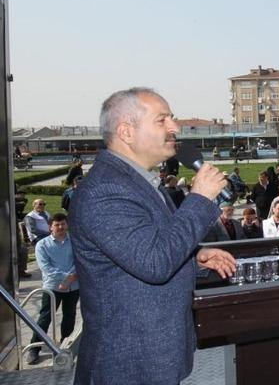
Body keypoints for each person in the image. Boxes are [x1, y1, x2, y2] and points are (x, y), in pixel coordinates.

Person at [69, 87, 236, 384]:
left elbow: (150, 244)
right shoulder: (105, 192)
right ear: (126, 131)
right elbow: (154, 264)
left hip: (152, 357)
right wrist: (199, 199)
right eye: (162, 120)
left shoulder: (140, 182)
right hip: (127, 364)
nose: (175, 127)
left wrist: (194, 257)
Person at [25, 213, 79, 365]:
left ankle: (64, 346)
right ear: (50, 227)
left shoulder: (74, 242)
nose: (61, 227)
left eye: (63, 224)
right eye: (57, 225)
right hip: (52, 288)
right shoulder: (42, 245)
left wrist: (70, 279)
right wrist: (66, 278)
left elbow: (79, 261)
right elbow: (46, 268)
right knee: (45, 317)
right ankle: (34, 349)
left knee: (70, 316)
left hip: (73, 287)